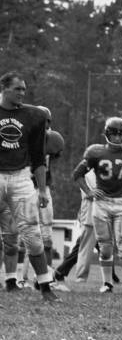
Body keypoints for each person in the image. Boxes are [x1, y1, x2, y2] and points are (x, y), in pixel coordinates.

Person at [73, 116, 122, 293]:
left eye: (121, 134)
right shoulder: (95, 152)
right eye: (114, 134)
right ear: (107, 134)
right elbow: (77, 174)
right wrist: (89, 192)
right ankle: (107, 283)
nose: (117, 138)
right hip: (102, 203)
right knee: (105, 247)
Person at [0, 71, 59, 301]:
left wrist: (42, 189)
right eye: (18, 89)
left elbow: (37, 158)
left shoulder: (33, 116)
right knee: (9, 235)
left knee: (32, 233)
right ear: (4, 88)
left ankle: (45, 286)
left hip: (21, 177)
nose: (23, 93)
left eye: (24, 89)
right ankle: (10, 279)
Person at [19, 106, 65, 287]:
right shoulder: (21, 136)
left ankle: (46, 279)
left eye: (44, 121)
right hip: (23, 189)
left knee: (46, 237)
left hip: (43, 189)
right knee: (21, 236)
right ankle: (18, 278)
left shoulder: (53, 139)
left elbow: (53, 158)